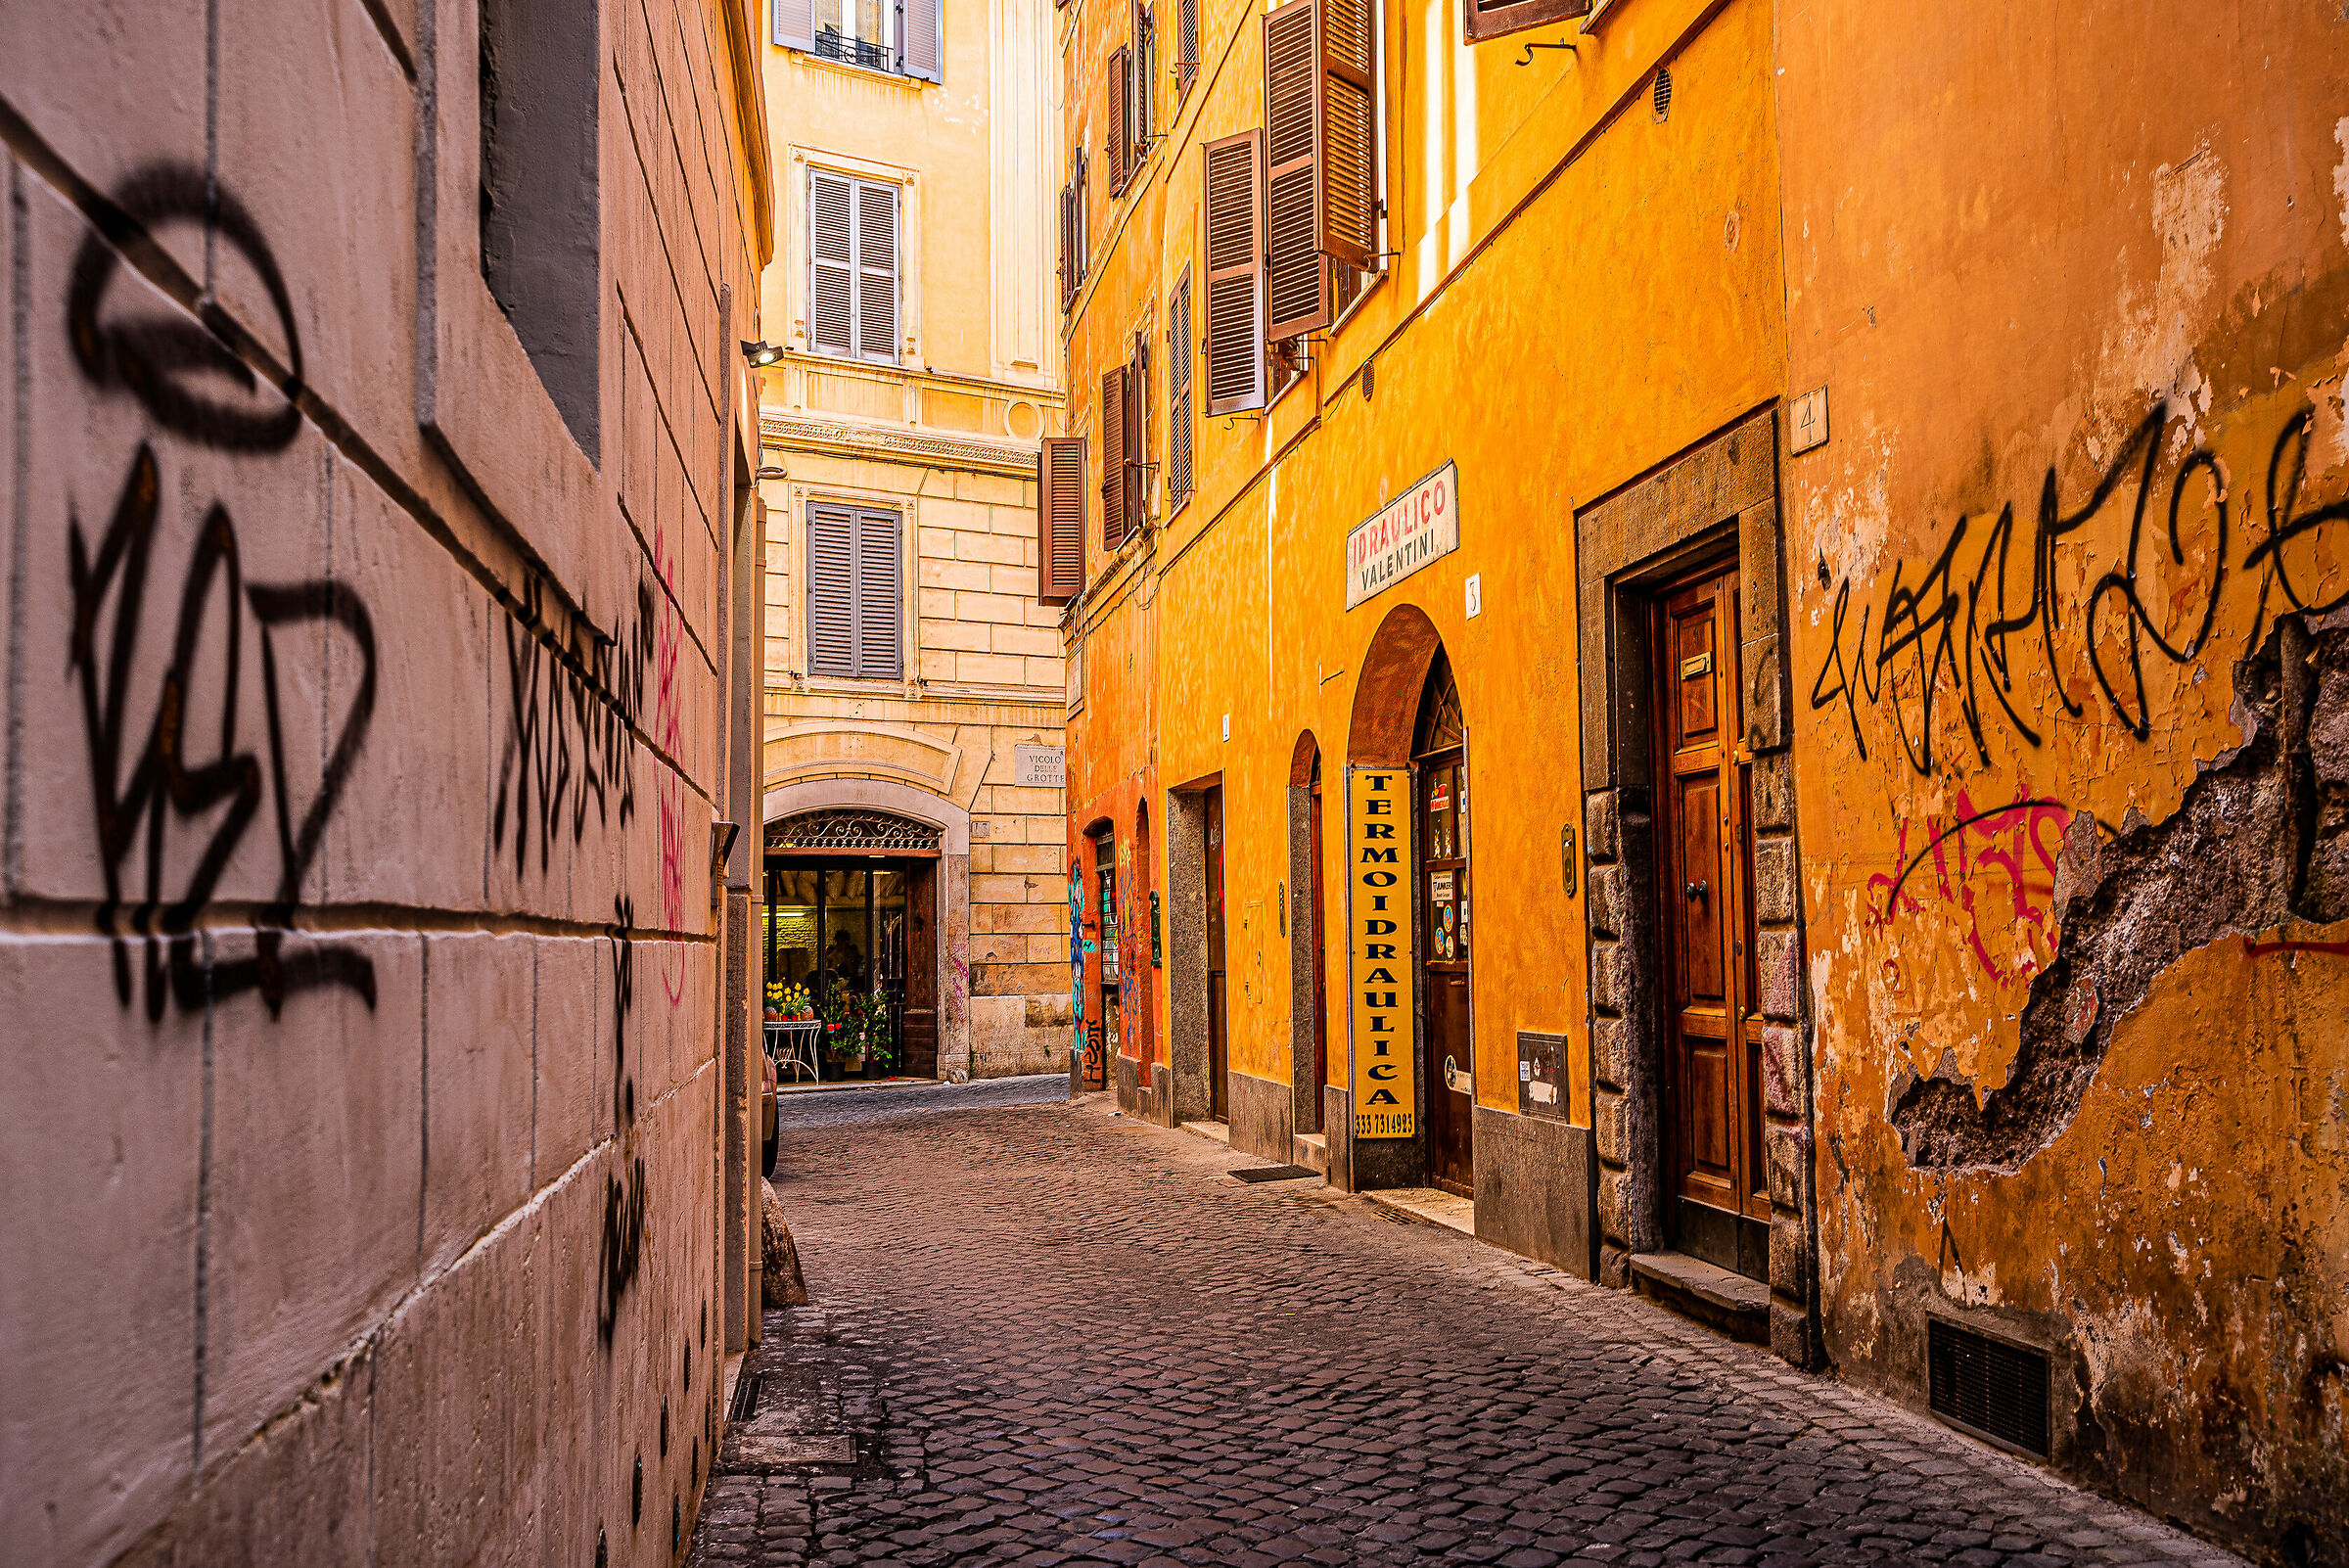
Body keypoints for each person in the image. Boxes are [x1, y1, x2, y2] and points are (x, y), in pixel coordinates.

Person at [826, 927, 865, 992]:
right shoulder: (833, 951)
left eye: (843, 941)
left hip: (849, 980)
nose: (840, 944)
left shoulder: (851, 951)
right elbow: (830, 970)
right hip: (835, 979)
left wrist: (847, 958)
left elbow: (852, 972)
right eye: (838, 941)